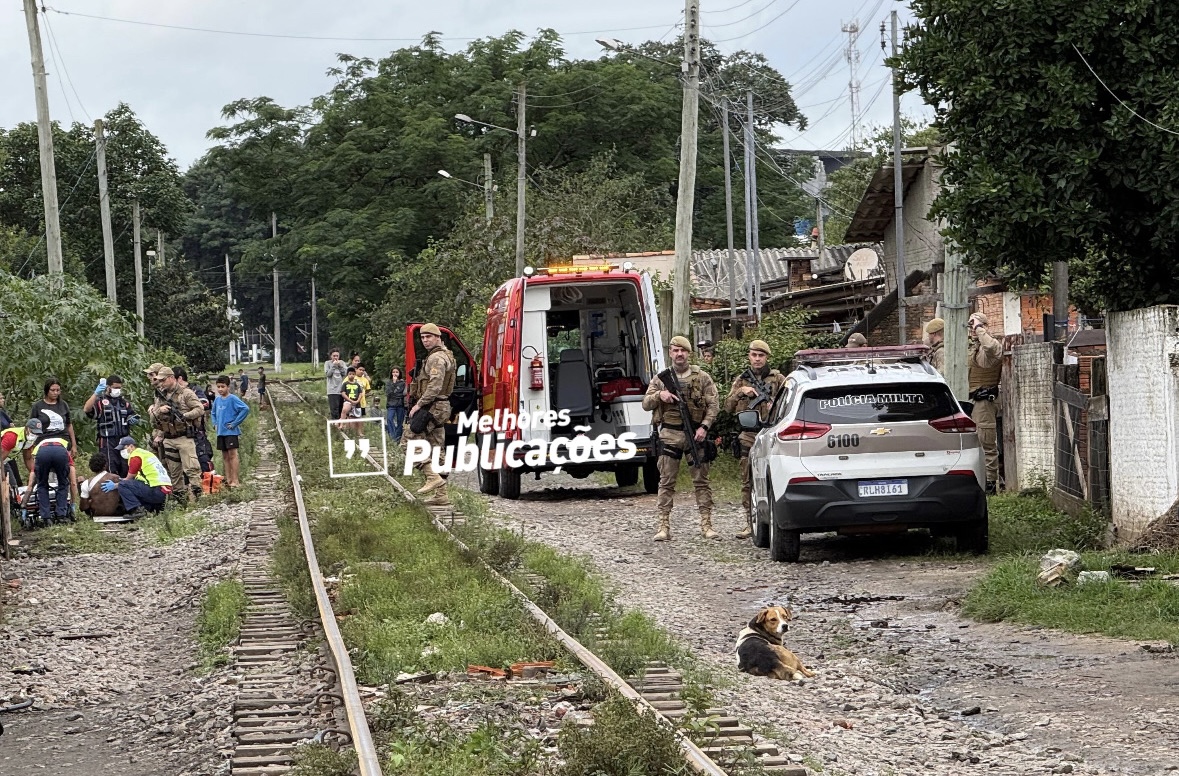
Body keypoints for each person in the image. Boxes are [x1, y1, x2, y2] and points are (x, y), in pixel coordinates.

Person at [642, 336, 720, 542]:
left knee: (701, 482)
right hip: (670, 435)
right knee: (666, 482)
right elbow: (645, 403)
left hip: (695, 435)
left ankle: (707, 524)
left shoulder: (702, 377)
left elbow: (713, 405)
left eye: (683, 351)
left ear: (689, 353)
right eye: (676, 350)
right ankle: (663, 526)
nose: (679, 354)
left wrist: (704, 427)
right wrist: (660, 395)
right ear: (670, 353)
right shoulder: (660, 379)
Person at [724, 339, 787, 539]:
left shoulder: (777, 378)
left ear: (767, 357)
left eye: (761, 355)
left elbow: (789, 400)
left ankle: (773, 520)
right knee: (747, 480)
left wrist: (774, 407)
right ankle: (749, 522)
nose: (757, 359)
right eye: (754, 355)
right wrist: (740, 392)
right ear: (749, 356)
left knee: (773, 478)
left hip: (771, 433)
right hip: (749, 435)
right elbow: (727, 407)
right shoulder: (742, 380)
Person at [406, 323, 456, 506]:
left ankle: (431, 476)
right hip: (441, 406)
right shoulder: (446, 355)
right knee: (436, 448)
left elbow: (434, 386)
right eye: (423, 337)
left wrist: (418, 405)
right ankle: (441, 494)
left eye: (429, 337)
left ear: (438, 337)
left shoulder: (436, 358)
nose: (425, 340)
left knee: (408, 441)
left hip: (432, 405)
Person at [149, 366, 205, 503]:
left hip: (184, 436)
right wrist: (159, 411)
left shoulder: (186, 393)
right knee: (174, 472)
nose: (161, 383)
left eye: (163, 380)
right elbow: (153, 418)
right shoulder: (161, 396)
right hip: (168, 437)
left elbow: (200, 408)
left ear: (171, 378)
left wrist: (185, 416)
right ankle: (180, 501)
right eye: (159, 381)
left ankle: (198, 499)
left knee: (192, 469)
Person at [967, 312, 1003, 493]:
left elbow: (990, 347)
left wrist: (979, 328)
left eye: (975, 326)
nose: (972, 329)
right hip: (970, 401)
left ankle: (991, 484)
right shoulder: (974, 348)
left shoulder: (992, 346)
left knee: (986, 442)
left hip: (984, 403)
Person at [30, 377, 79, 507]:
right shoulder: (38, 406)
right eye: (53, 390)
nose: (55, 393)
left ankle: (66, 507)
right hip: (43, 443)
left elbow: (69, 425)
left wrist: (73, 444)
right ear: (47, 390)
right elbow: (32, 427)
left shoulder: (63, 405)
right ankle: (47, 509)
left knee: (64, 477)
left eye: (58, 390)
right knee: (44, 479)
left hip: (62, 443)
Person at [100, 436, 172, 519]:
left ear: (131, 446)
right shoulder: (146, 454)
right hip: (164, 492)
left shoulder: (135, 456)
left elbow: (128, 479)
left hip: (156, 490)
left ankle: (137, 511)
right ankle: (152, 509)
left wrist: (114, 485)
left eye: (123, 448)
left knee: (123, 485)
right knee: (131, 486)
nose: (122, 451)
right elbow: (139, 478)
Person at [83, 374, 138, 478]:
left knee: (126, 467)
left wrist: (133, 419)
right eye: (115, 388)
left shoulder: (124, 403)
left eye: (119, 388)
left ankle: (126, 490)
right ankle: (112, 491)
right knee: (110, 467)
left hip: (124, 440)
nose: (117, 390)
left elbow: (132, 414)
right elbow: (86, 409)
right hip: (107, 440)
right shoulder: (100, 402)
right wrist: (95, 394)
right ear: (108, 387)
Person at [212, 375, 250, 487]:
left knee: (232, 455)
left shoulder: (232, 398)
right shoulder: (217, 400)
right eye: (218, 387)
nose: (220, 389)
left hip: (231, 432)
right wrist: (215, 424)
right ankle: (228, 480)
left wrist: (234, 423)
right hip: (221, 432)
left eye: (222, 387)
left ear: (228, 387)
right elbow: (213, 413)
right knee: (225, 456)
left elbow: (245, 409)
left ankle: (235, 480)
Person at [30, 421, 73, 523]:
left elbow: (34, 466)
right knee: (63, 483)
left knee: (42, 485)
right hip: (60, 453)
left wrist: (31, 484)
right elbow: (70, 468)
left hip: (42, 453)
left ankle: (46, 517)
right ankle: (61, 515)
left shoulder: (38, 443)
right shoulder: (64, 442)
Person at [176, 367, 215, 474]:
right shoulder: (173, 393)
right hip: (181, 434)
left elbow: (205, 404)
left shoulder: (194, 389)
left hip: (197, 432)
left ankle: (209, 485)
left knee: (203, 460)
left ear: (179, 378)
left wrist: (187, 411)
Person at [79, 453, 123, 518]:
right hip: (116, 513)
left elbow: (83, 507)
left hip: (97, 514)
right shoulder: (117, 478)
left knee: (81, 480)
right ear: (105, 465)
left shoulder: (87, 483)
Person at [325, 348, 348, 421]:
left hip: (341, 390)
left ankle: (340, 425)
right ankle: (335, 425)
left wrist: (340, 366)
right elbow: (328, 374)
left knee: (341, 409)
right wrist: (334, 366)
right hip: (332, 390)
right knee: (334, 410)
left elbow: (345, 373)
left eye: (337, 356)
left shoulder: (342, 363)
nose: (335, 357)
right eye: (334, 356)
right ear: (331, 356)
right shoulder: (327, 363)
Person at [385, 367, 407, 442]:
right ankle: (393, 436)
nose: (395, 374)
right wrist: (394, 384)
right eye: (393, 372)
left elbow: (402, 393)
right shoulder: (389, 383)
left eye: (396, 372)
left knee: (400, 421)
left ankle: (398, 438)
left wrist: (395, 394)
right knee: (389, 419)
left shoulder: (402, 383)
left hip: (400, 404)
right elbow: (388, 393)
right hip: (391, 404)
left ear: (399, 373)